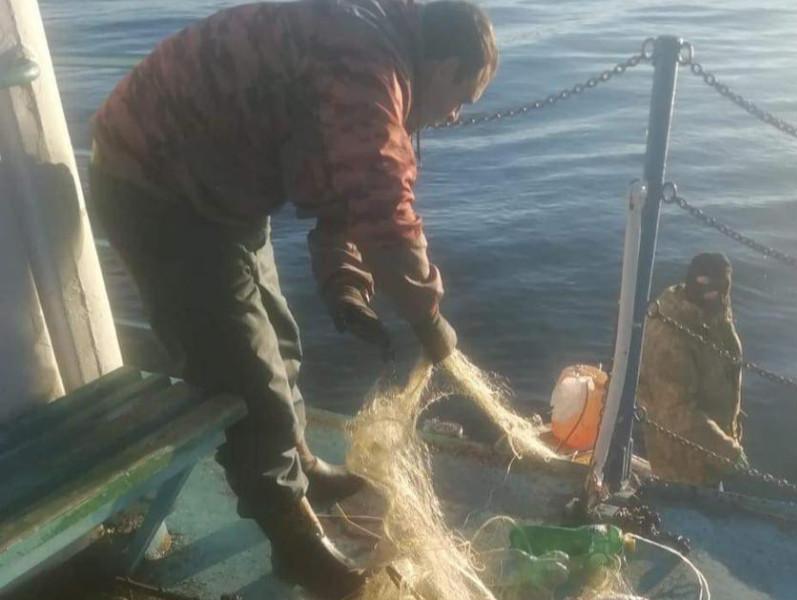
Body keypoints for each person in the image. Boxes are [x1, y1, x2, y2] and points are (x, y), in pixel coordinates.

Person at [87, 0, 498, 596]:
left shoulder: (382, 51)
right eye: (463, 97)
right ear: (444, 66)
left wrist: (346, 282)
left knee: (280, 343)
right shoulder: (369, 68)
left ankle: (299, 462)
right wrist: (429, 320)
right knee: (247, 377)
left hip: (220, 189)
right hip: (157, 187)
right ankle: (295, 543)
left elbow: (343, 181)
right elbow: (384, 212)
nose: (456, 115)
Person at [638, 253, 747, 486]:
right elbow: (676, 413)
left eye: (720, 289)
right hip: (682, 462)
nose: (713, 294)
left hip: (712, 454)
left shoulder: (712, 312)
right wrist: (727, 453)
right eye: (705, 286)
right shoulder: (670, 336)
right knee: (685, 502)